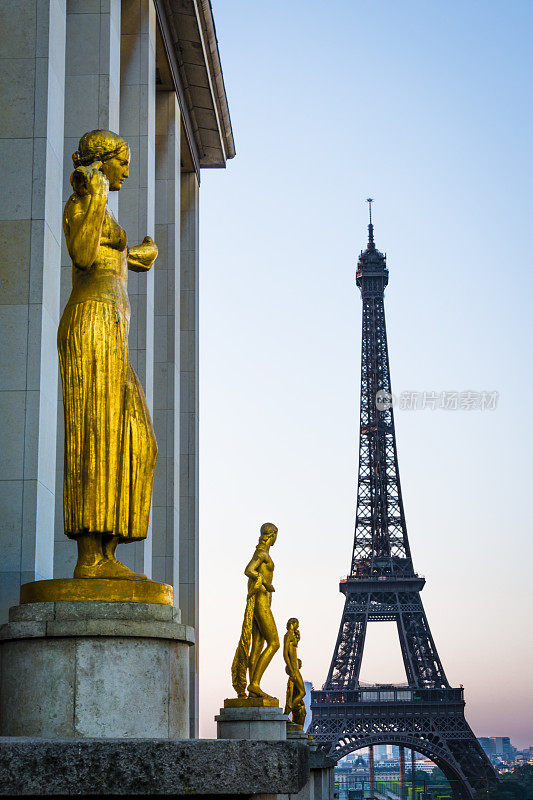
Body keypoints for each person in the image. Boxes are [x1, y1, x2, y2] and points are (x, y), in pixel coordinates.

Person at [58, 129, 158, 580]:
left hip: (111, 331)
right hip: (91, 325)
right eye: (122, 161)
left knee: (138, 441)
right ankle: (90, 558)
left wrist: (138, 255)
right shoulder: (82, 201)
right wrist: (95, 193)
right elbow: (81, 253)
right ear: (103, 163)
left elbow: (108, 255)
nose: (128, 170)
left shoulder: (101, 208)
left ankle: (109, 548)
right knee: (95, 433)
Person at [231, 522, 280, 698]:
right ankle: (255, 684)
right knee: (274, 643)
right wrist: (265, 582)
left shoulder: (263, 553)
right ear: (272, 534)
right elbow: (248, 570)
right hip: (261, 601)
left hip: (263, 600)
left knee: (258, 646)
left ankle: (254, 688)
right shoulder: (262, 553)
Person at [283, 618, 306, 727]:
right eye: (297, 623)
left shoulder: (292, 636)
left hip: (295, 668)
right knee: (302, 692)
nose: (298, 625)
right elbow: (285, 653)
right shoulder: (288, 635)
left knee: (302, 692)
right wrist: (291, 668)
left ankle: (287, 712)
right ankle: (286, 713)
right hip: (293, 668)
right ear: (293, 624)